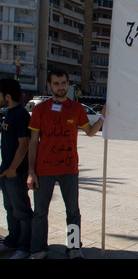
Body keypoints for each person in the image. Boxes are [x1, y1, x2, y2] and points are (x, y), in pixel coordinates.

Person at [27, 69, 106, 259]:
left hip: (69, 169)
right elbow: (33, 141)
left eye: (63, 83)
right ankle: (39, 249)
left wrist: (103, 116)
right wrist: (31, 171)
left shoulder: (77, 109)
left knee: (73, 211)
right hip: (43, 169)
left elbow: (90, 132)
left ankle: (73, 247)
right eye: (56, 83)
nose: (60, 87)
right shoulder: (40, 109)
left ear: (68, 84)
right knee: (40, 213)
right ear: (49, 85)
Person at [0, 79, 33, 259]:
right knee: (10, 209)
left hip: (16, 173)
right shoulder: (9, 113)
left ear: (7, 96)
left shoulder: (20, 114)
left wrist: (13, 169)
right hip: (6, 172)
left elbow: (24, 144)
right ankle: (12, 241)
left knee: (22, 211)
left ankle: (24, 246)